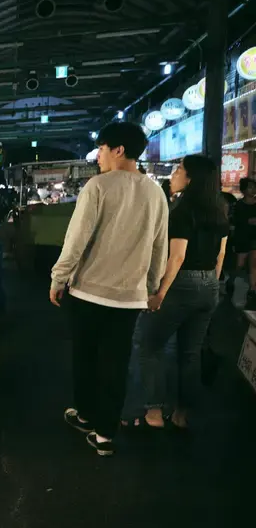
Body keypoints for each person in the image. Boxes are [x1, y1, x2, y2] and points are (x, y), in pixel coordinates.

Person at [50, 122, 168, 457]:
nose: (98, 155)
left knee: (85, 357)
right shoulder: (155, 191)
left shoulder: (98, 186)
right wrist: (151, 287)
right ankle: (105, 435)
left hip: (88, 293)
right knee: (116, 362)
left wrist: (59, 278)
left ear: (118, 149)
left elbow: (76, 240)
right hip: (130, 297)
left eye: (101, 148)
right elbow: (159, 246)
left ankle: (86, 415)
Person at [134, 155, 229, 432]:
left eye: (178, 170)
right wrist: (212, 281)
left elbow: (176, 257)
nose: (173, 174)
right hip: (209, 284)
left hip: (181, 284)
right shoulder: (219, 209)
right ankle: (181, 413)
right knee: (189, 353)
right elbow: (220, 254)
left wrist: (160, 293)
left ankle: (153, 410)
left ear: (190, 179)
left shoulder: (182, 210)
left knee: (149, 345)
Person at [233, 177, 256, 309]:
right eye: (250, 187)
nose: (252, 190)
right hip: (243, 238)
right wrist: (249, 221)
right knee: (240, 265)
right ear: (243, 190)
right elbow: (238, 221)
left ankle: (252, 289)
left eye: (254, 187)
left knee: (253, 263)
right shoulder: (239, 205)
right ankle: (233, 282)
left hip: (254, 238)